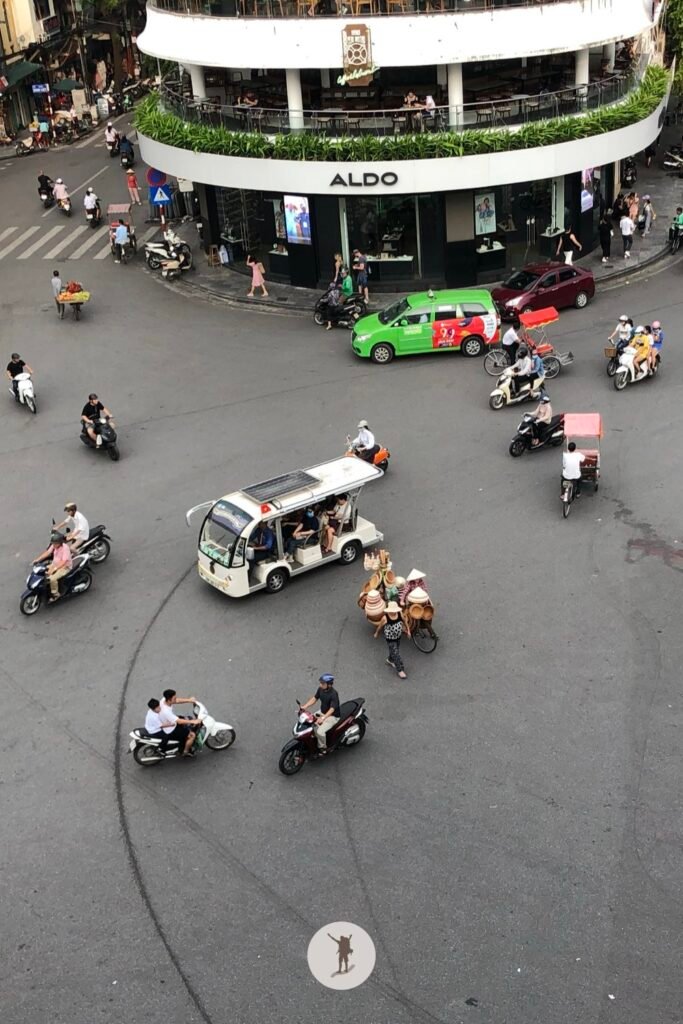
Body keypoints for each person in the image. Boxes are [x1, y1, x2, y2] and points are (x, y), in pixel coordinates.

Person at [299, 673, 341, 754]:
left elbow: (332, 709)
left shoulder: (334, 694)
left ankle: (323, 748)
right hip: (322, 712)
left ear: (329, 685)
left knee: (320, 732)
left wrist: (323, 718)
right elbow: (315, 698)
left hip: (332, 716)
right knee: (309, 720)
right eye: (320, 683)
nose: (320, 685)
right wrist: (305, 706)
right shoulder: (321, 689)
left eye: (323, 683)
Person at [160, 689, 201, 757]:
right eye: (174, 698)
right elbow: (179, 721)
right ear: (169, 700)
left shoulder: (164, 700)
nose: (176, 699)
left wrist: (190, 700)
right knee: (192, 735)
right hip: (171, 729)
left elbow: (177, 700)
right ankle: (185, 752)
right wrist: (193, 721)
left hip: (169, 721)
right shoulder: (166, 711)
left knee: (187, 719)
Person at [34, 531, 73, 602]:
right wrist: (37, 559)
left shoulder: (65, 548)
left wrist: (54, 569)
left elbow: (63, 561)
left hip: (65, 567)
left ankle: (56, 594)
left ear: (60, 543)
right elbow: (48, 552)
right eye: (53, 543)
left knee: (52, 579)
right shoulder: (54, 545)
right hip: (54, 564)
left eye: (55, 544)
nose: (53, 545)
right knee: (42, 570)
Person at [383, 601, 407, 679]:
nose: (394, 612)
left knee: (394, 650)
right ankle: (400, 670)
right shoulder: (385, 617)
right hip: (390, 638)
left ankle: (390, 659)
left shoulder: (399, 614)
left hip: (398, 636)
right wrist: (376, 633)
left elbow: (404, 621)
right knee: (396, 653)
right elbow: (380, 625)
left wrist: (408, 630)